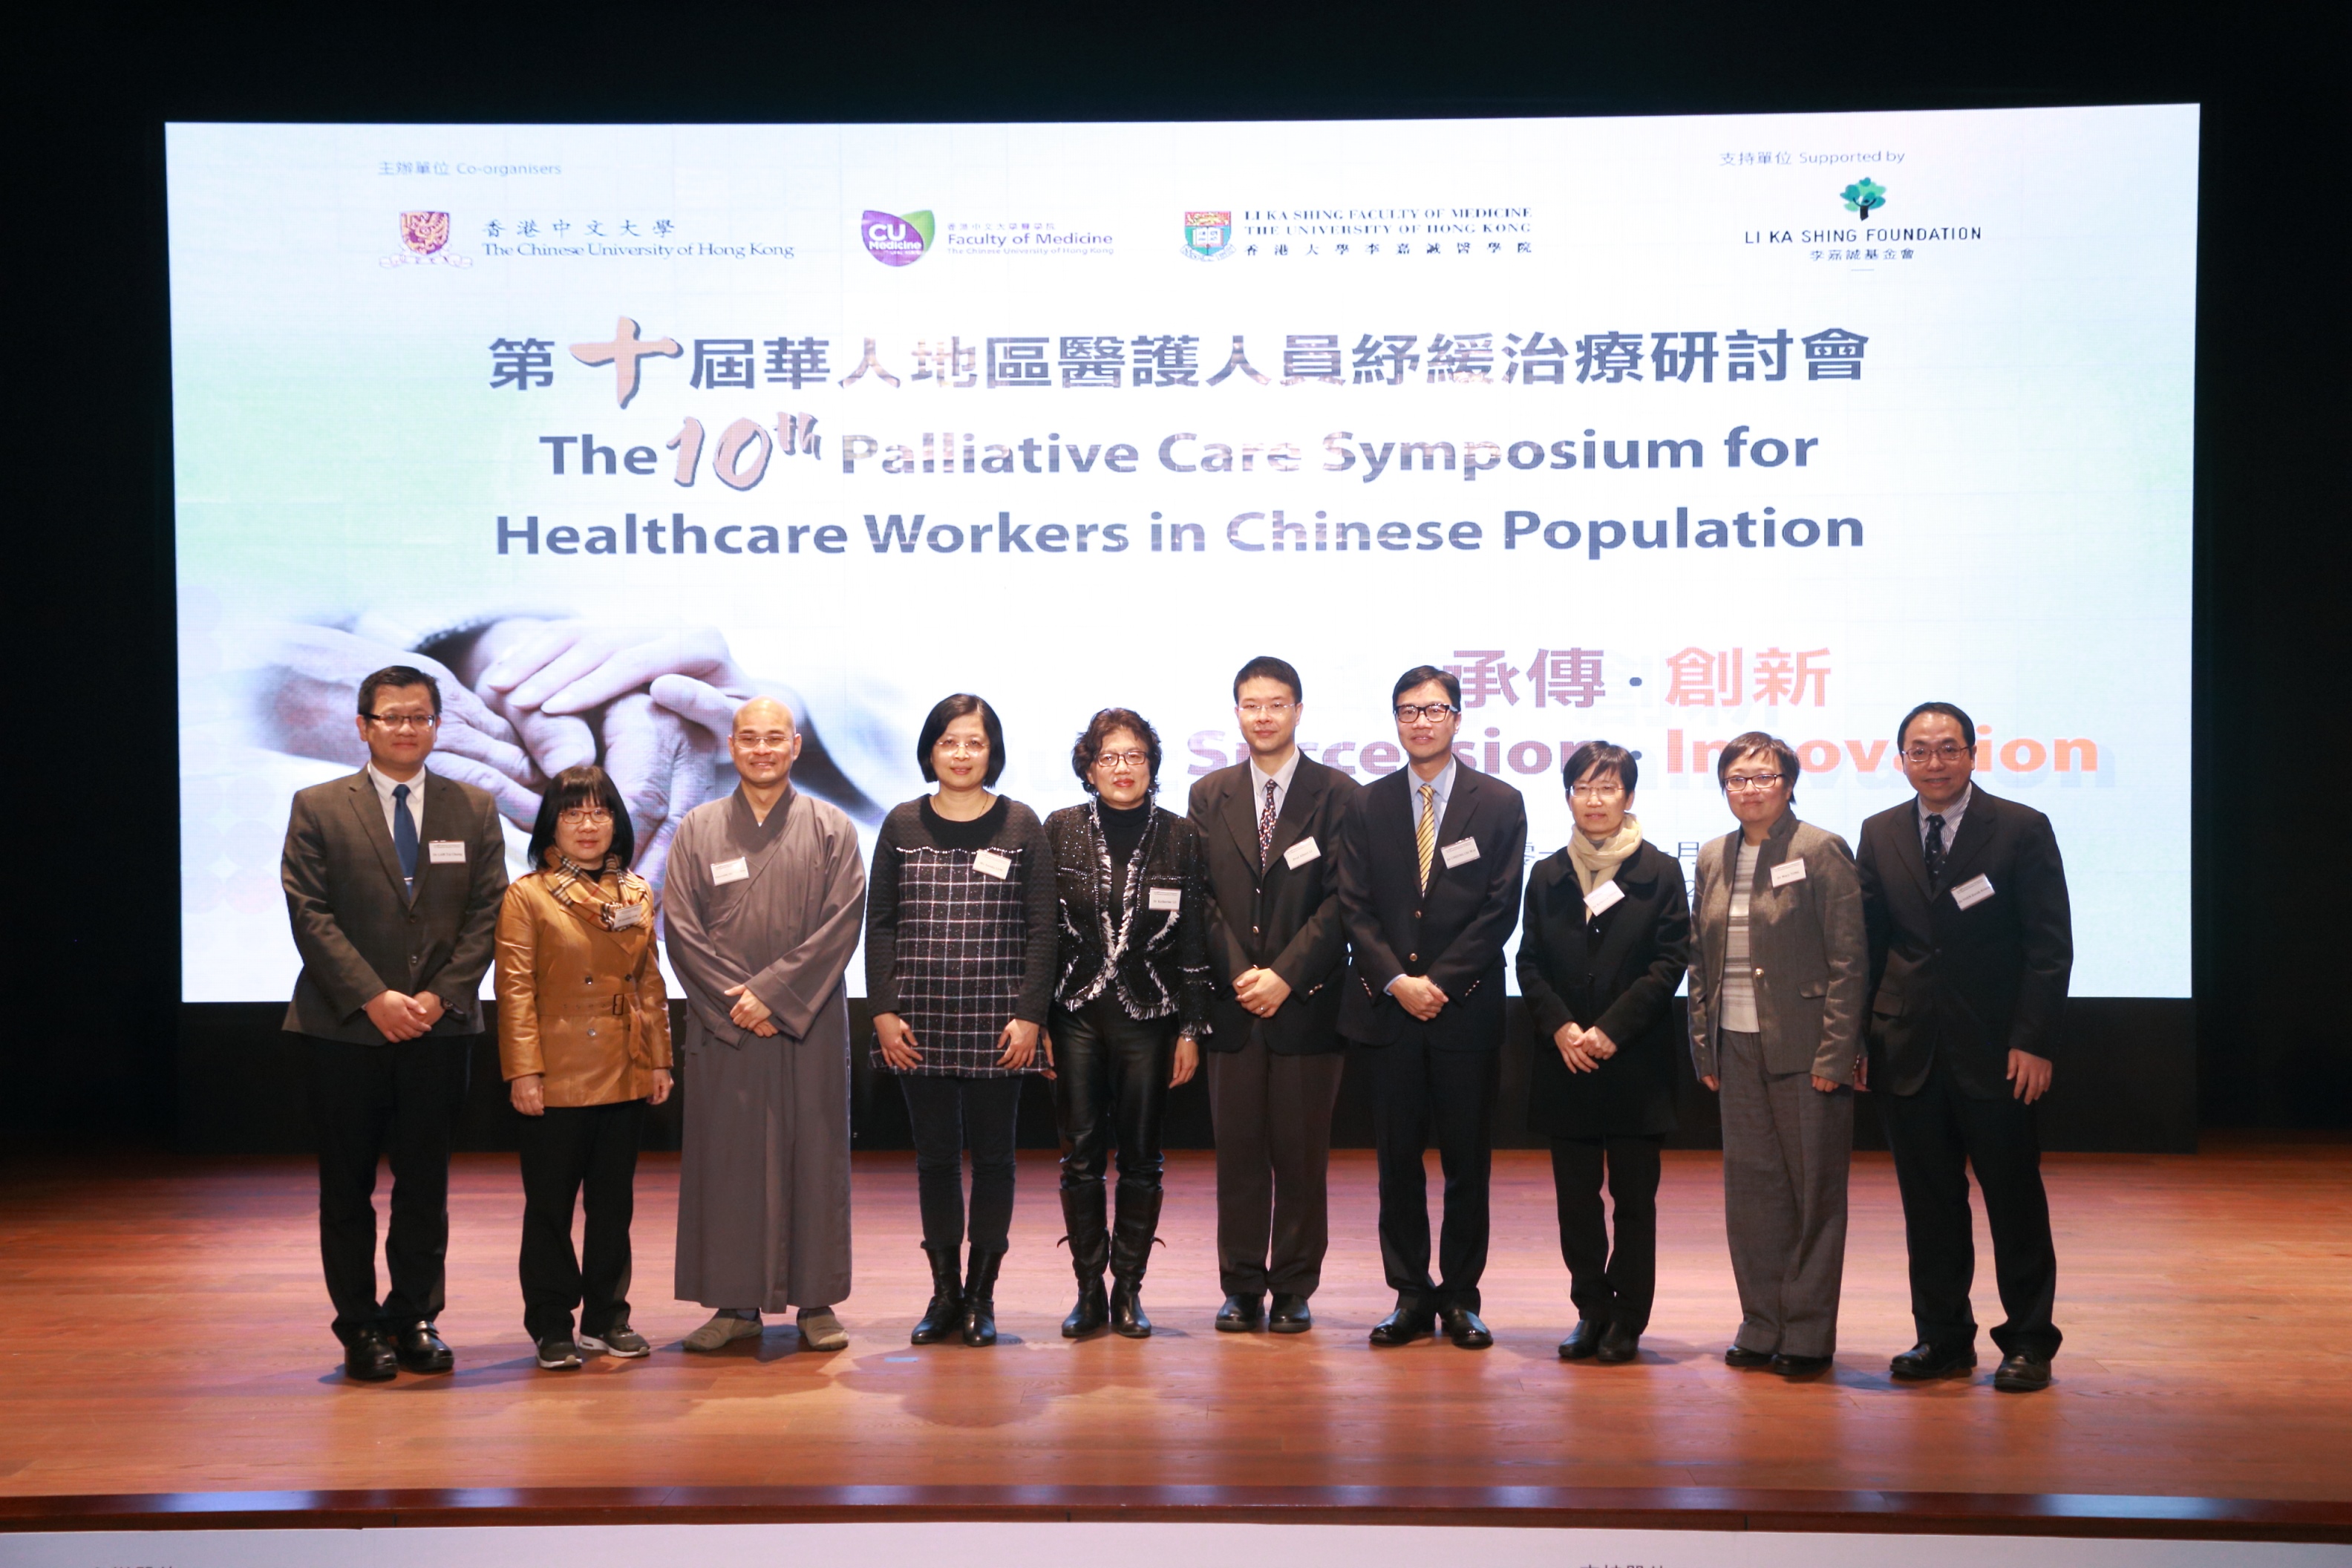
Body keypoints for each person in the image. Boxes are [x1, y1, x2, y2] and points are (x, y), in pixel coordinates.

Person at [278, 664, 509, 1381]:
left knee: (424, 1186)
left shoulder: (473, 807)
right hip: (344, 1029)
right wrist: (373, 996)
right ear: (363, 726)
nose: (407, 729)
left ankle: (414, 1317)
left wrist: (439, 997)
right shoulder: (318, 805)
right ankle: (358, 1329)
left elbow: (488, 913)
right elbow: (308, 913)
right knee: (346, 1187)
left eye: (419, 717)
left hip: (439, 1031)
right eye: (392, 717)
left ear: (438, 726)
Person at [1857, 702, 2074, 1394]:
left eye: (1948, 749)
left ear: (1973, 755)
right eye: (1919, 751)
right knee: (1929, 1203)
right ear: (1901, 760)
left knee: (2014, 1198)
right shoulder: (1881, 831)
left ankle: (2029, 1342)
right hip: (1906, 1050)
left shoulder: (2019, 828)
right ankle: (1943, 1337)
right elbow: (1866, 947)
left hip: (1998, 1053)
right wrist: (1860, 1040)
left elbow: (2049, 946)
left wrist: (2032, 1041)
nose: (1934, 762)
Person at [663, 697, 867, 1353]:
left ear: (796, 746)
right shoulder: (697, 828)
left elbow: (843, 925)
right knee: (728, 1165)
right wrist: (737, 1002)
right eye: (748, 738)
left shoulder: (833, 827)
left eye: (773, 738)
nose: (760, 750)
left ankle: (817, 1302)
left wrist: (773, 997)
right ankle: (734, 1304)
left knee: (814, 1156)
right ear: (730, 745)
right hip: (727, 1028)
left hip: (803, 1025)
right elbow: (681, 929)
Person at [1336, 665, 1527, 1350]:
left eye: (1435, 709)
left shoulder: (1499, 803)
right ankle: (1410, 1294)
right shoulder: (1367, 803)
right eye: (1408, 711)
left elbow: (1500, 909)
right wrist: (1397, 981)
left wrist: (1438, 982)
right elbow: (1353, 906)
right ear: (1395, 721)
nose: (1422, 721)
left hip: (1466, 1012)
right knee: (1396, 1164)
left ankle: (1462, 1297)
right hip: (1388, 1015)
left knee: (1467, 1164)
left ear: (1457, 717)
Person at [866, 695, 1057, 1348]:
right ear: (930, 751)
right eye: (949, 742)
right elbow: (881, 924)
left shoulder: (1021, 824)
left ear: (992, 752)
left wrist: (1031, 1015)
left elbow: (1042, 930)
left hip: (998, 1023)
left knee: (998, 1161)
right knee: (935, 1161)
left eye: (974, 742)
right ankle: (944, 1294)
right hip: (917, 1022)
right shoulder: (901, 824)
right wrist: (884, 1011)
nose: (961, 753)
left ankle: (983, 1296)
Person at [1188, 656, 1360, 1334]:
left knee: (1300, 1156)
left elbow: (1345, 901)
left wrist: (1284, 975)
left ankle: (1292, 1286)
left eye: (1277, 704)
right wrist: (1240, 974)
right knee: (1237, 1156)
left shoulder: (1338, 794)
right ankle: (1240, 1286)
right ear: (1236, 712)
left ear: (1298, 710)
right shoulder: (1209, 794)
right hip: (1233, 1008)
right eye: (1251, 704)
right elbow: (1199, 899)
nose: (1263, 715)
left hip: (1308, 1004)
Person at [1686, 732, 1866, 1378]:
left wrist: (1837, 1053)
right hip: (1734, 1047)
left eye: (1763, 776)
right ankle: (1761, 1323)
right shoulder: (1712, 855)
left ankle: (1809, 1333)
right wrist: (1702, 1042)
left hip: (1806, 1046)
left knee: (1814, 1194)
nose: (1750, 788)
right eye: (1737, 778)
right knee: (1753, 1195)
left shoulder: (1819, 850)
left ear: (1789, 783)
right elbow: (1700, 962)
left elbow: (1850, 961)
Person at [1516, 741, 1691, 1365]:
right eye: (1583, 788)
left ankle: (1627, 1319)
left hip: (1635, 1064)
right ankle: (1589, 1308)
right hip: (1567, 1063)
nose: (1595, 800)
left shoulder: (1660, 873)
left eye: (1608, 788)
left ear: (1629, 796)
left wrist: (1611, 1029)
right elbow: (1529, 961)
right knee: (1576, 1201)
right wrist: (1562, 1028)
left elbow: (1670, 962)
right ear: (1568, 796)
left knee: (1635, 1202)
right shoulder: (1548, 874)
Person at [495, 765, 674, 1371]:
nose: (588, 824)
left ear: (617, 822)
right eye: (574, 812)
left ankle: (607, 1317)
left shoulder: (638, 892)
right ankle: (551, 1324)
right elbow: (514, 992)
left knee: (613, 1206)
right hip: (555, 1071)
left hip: (624, 1066)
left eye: (599, 812)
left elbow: (650, 982)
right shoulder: (528, 895)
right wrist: (524, 1072)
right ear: (552, 825)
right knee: (549, 1207)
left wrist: (659, 1060)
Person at [1044, 708, 1212, 1339]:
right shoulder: (1057, 829)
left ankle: (1129, 1292)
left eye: (1135, 756)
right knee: (1080, 1158)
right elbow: (1041, 936)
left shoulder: (1181, 835)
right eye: (1109, 757)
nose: (1122, 768)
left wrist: (1193, 1030)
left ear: (1152, 765)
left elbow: (1193, 938)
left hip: (1152, 1018)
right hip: (1076, 1016)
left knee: (1142, 1160)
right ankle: (1089, 1291)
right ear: (1089, 767)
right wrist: (1035, 1023)